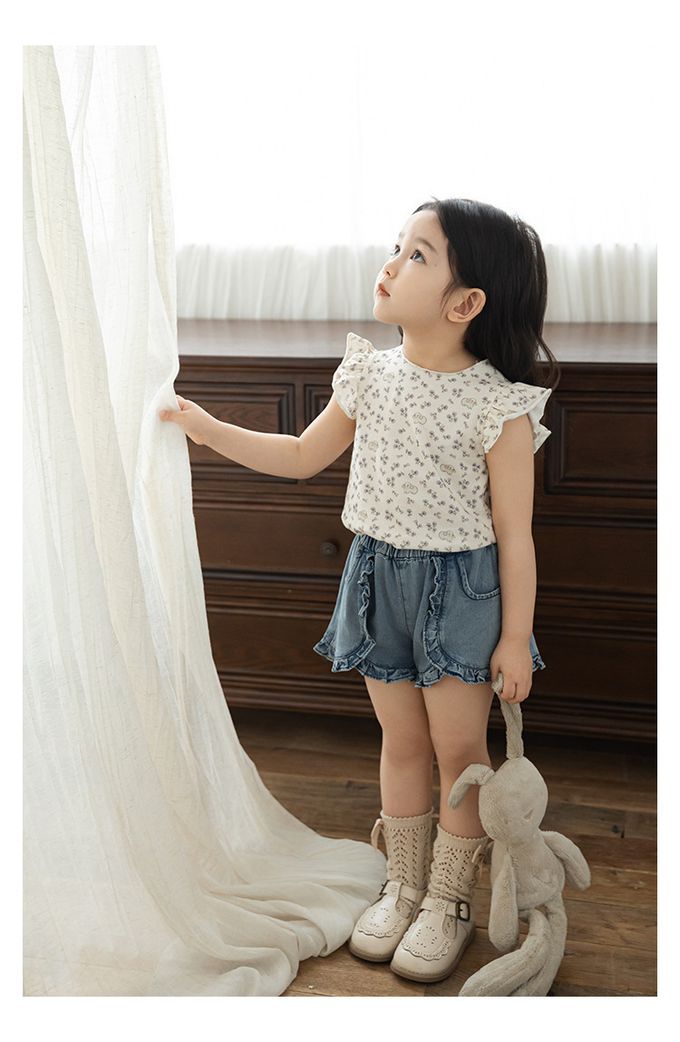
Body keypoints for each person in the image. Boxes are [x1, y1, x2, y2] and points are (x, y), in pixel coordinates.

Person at [159, 196, 560, 985]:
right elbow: (300, 456)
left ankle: (448, 899)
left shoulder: (497, 405)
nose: (391, 264)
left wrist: (515, 638)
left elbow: (516, 536)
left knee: (458, 751)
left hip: (461, 590)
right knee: (401, 742)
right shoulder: (369, 376)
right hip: (379, 578)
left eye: (418, 255)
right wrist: (208, 429)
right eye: (397, 246)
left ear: (465, 303)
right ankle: (404, 884)